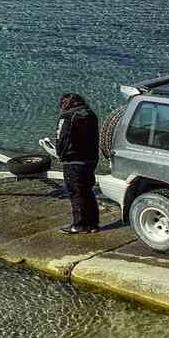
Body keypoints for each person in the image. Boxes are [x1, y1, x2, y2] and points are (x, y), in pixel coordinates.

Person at [56, 92, 100, 234]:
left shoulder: (67, 117)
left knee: (76, 192)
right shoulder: (90, 114)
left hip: (73, 161)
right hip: (91, 159)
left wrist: (60, 156)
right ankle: (93, 224)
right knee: (87, 190)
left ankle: (79, 225)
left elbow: (62, 138)